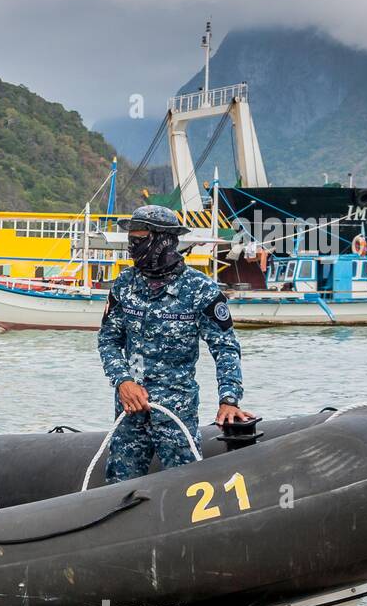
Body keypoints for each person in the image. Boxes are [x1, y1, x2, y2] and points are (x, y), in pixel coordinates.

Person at [98, 205, 254, 483]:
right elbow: (108, 340)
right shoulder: (124, 285)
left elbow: (225, 347)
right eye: (131, 240)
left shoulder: (200, 290)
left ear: (163, 241)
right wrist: (122, 381)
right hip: (129, 414)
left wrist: (229, 400)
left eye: (139, 239)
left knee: (188, 490)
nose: (133, 247)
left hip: (176, 415)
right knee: (117, 490)